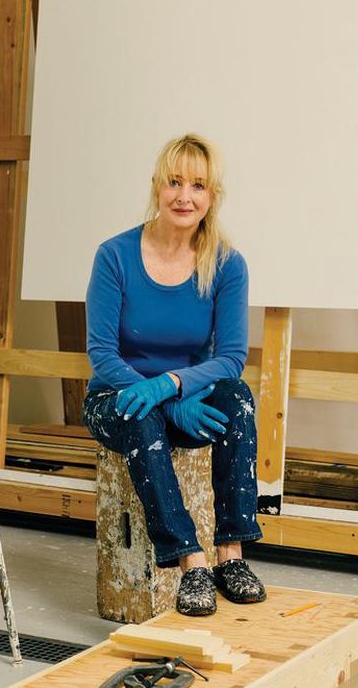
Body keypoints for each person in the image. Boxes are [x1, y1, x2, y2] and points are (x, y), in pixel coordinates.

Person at [82, 134, 266, 617]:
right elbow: (101, 354)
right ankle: (191, 563)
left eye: (198, 186)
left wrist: (174, 385)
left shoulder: (227, 263)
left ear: (212, 197)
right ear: (157, 187)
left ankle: (232, 554)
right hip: (114, 396)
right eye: (175, 182)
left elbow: (231, 357)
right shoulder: (115, 256)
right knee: (142, 419)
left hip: (185, 394)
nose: (185, 196)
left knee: (238, 398)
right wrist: (159, 399)